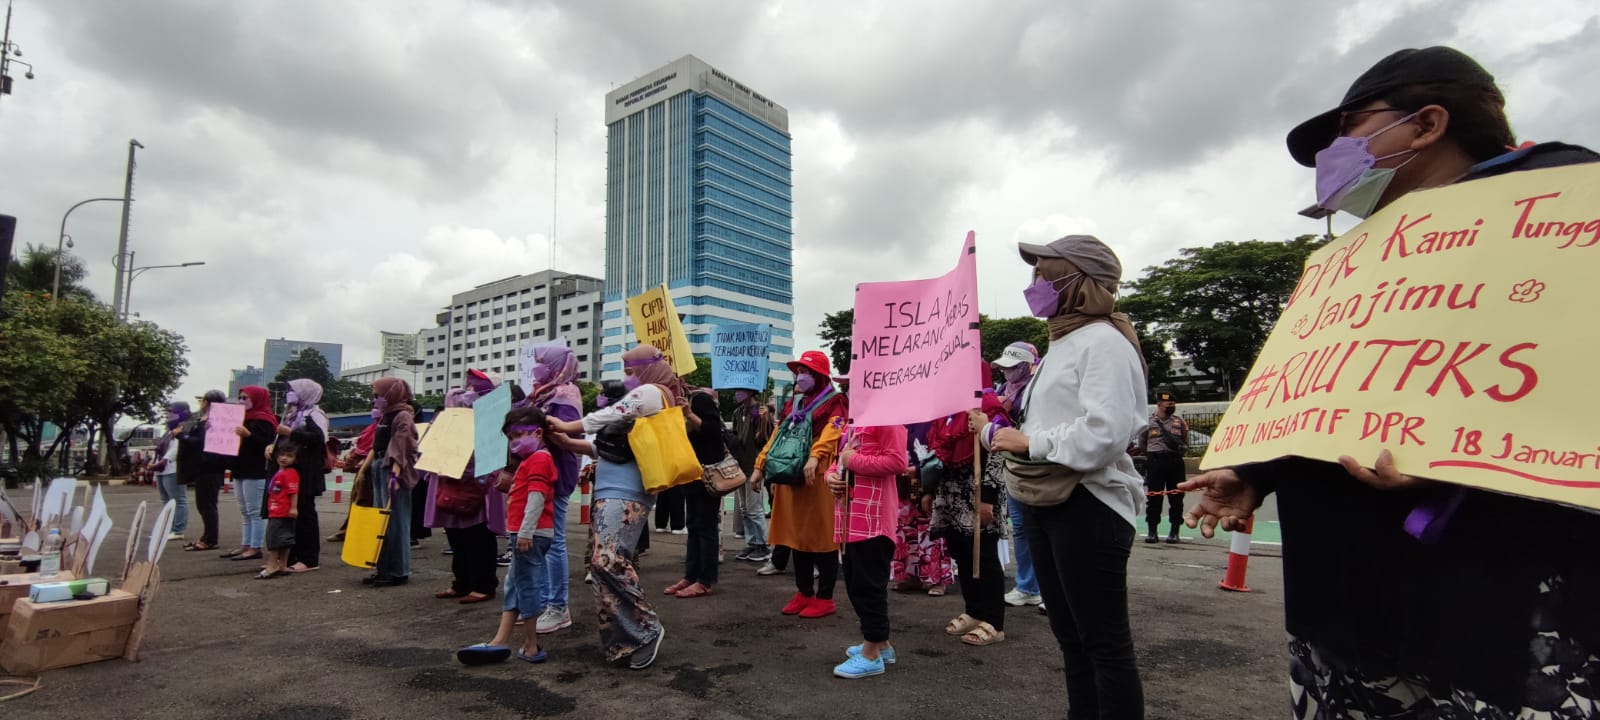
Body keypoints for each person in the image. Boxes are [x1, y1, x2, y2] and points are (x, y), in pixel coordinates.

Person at [1183, 46, 1600, 718]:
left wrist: (1453, 458)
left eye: (1350, 126)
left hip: (1493, 606)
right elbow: (1321, 395)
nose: (1334, 154)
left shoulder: (1563, 206)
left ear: (1429, 124)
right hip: (1342, 608)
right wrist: (1257, 471)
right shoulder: (1349, 262)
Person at [980, 233, 1148, 718]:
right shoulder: (1063, 343)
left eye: (1045, 273)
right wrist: (1010, 435)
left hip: (1087, 504)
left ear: (1081, 283)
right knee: (1072, 641)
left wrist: (1029, 442)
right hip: (1046, 501)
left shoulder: (1103, 341)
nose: (1034, 283)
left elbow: (1107, 431)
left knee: (1104, 645)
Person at [543, 345, 676, 670]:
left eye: (630, 370)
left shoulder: (651, 393)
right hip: (611, 487)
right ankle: (623, 640)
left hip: (627, 491)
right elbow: (611, 446)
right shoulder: (644, 402)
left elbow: (604, 417)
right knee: (602, 568)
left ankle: (646, 628)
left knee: (608, 561)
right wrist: (569, 442)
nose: (626, 378)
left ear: (646, 369)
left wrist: (563, 426)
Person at [749, 350, 847, 618]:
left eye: (805, 372)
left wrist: (815, 457)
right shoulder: (795, 403)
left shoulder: (836, 401)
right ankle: (804, 592)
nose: (800, 376)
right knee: (796, 537)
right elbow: (778, 435)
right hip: (790, 474)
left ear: (819, 375)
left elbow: (834, 430)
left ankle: (825, 598)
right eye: (799, 372)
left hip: (817, 476)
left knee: (823, 537)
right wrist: (760, 465)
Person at [456, 406, 556, 666]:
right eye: (510, 438)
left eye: (519, 435)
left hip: (529, 534)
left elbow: (537, 496)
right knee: (515, 585)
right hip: (526, 533)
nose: (514, 442)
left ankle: (530, 645)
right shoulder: (532, 460)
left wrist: (525, 531)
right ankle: (500, 640)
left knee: (526, 585)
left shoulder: (539, 460)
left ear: (538, 433)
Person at [929, 369, 1007, 648]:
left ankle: (994, 621)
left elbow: (999, 452)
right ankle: (974, 610)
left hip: (978, 490)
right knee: (961, 553)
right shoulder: (946, 411)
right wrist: (930, 491)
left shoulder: (988, 406)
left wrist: (988, 497)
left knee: (984, 554)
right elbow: (938, 453)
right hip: (950, 493)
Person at [826, 422, 908, 679]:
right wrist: (831, 476)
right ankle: (881, 645)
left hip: (873, 523)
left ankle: (871, 653)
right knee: (855, 584)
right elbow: (840, 461)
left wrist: (854, 461)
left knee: (868, 587)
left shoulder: (888, 421)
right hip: (851, 519)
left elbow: (897, 462)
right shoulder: (854, 424)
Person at [425, 380, 506, 604]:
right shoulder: (452, 417)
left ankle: (484, 585)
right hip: (451, 479)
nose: (466, 395)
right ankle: (462, 582)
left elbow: (493, 449)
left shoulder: (493, 418)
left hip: (477, 483)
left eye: (473, 391)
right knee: (456, 535)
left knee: (478, 535)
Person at [525, 349, 584, 634]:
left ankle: (558, 607)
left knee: (554, 542)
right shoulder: (544, 394)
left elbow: (571, 438)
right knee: (545, 540)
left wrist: (542, 430)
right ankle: (550, 601)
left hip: (557, 473)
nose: (537, 368)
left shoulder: (564, 395)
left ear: (556, 366)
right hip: (540, 472)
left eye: (542, 363)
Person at [990, 342, 1044, 606]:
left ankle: (1051, 588)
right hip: (1012, 463)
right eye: (1003, 368)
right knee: (1021, 528)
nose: (1006, 373)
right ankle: (1028, 586)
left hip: (1038, 462)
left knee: (1045, 528)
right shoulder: (1003, 390)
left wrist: (1008, 408)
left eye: (1012, 367)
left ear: (1025, 365)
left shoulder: (1038, 387)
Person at [663, 386, 725, 599]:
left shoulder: (699, 400)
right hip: (691, 473)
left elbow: (714, 431)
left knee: (706, 526)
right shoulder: (673, 403)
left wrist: (689, 413)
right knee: (693, 525)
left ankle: (705, 580)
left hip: (706, 473)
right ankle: (691, 575)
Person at [365, 378, 420, 588]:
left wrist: (395, 476)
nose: (375, 399)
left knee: (395, 522)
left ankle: (398, 570)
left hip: (393, 469)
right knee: (381, 521)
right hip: (380, 466)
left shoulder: (403, 414)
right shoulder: (385, 415)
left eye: (378, 394)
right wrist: (364, 470)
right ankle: (383, 567)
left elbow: (402, 445)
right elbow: (376, 445)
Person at [223, 386, 278, 564]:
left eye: (245, 398)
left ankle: (255, 547)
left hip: (255, 470)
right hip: (240, 468)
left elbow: (268, 444)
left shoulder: (265, 420)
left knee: (254, 511)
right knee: (244, 510)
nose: (241, 401)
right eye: (240, 397)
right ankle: (246, 544)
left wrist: (249, 435)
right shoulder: (241, 419)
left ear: (256, 399)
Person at [277, 379, 328, 572]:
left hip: (307, 472)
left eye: (293, 390)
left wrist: (291, 433)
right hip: (291, 471)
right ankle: (292, 555)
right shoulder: (292, 414)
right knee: (292, 516)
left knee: (305, 515)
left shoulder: (314, 414)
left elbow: (318, 440)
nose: (289, 394)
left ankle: (309, 558)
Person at [179, 390, 229, 551]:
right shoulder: (206, 420)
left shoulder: (214, 422)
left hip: (210, 467)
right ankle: (206, 536)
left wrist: (183, 437)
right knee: (204, 504)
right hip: (204, 466)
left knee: (207, 505)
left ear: (207, 402)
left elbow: (202, 443)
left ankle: (210, 539)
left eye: (203, 401)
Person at [1137, 391, 1187, 545]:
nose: (1172, 407)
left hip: (1175, 462)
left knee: (1176, 498)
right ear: (1159, 404)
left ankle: (1174, 531)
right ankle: (1152, 531)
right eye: (1169, 404)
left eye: (1173, 405)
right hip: (1155, 461)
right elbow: (1142, 443)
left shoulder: (1179, 422)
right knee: (1154, 497)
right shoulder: (1149, 422)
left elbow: (1185, 441)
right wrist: (1153, 454)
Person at [728, 388, 773, 562]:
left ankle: (762, 544)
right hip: (740, 464)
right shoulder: (738, 412)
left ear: (750, 391)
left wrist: (763, 421)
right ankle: (752, 542)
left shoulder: (760, 411)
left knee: (754, 508)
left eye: (741, 390)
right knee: (745, 508)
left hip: (754, 465)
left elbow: (762, 439)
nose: (737, 393)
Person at [258, 444, 301, 580]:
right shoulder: (279, 472)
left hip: (282, 511)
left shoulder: (290, 473)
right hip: (276, 509)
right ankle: (282, 564)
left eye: (289, 456)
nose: (284, 458)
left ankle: (273, 565)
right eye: (282, 455)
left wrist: (293, 508)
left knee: (275, 539)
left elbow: (293, 492)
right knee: (283, 538)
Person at [155, 401, 191, 541]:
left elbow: (177, 448)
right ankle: (167, 529)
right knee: (166, 501)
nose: (168, 415)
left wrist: (163, 461)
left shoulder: (184, 429)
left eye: (172, 412)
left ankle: (178, 530)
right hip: (162, 470)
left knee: (179, 500)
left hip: (174, 469)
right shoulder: (168, 431)